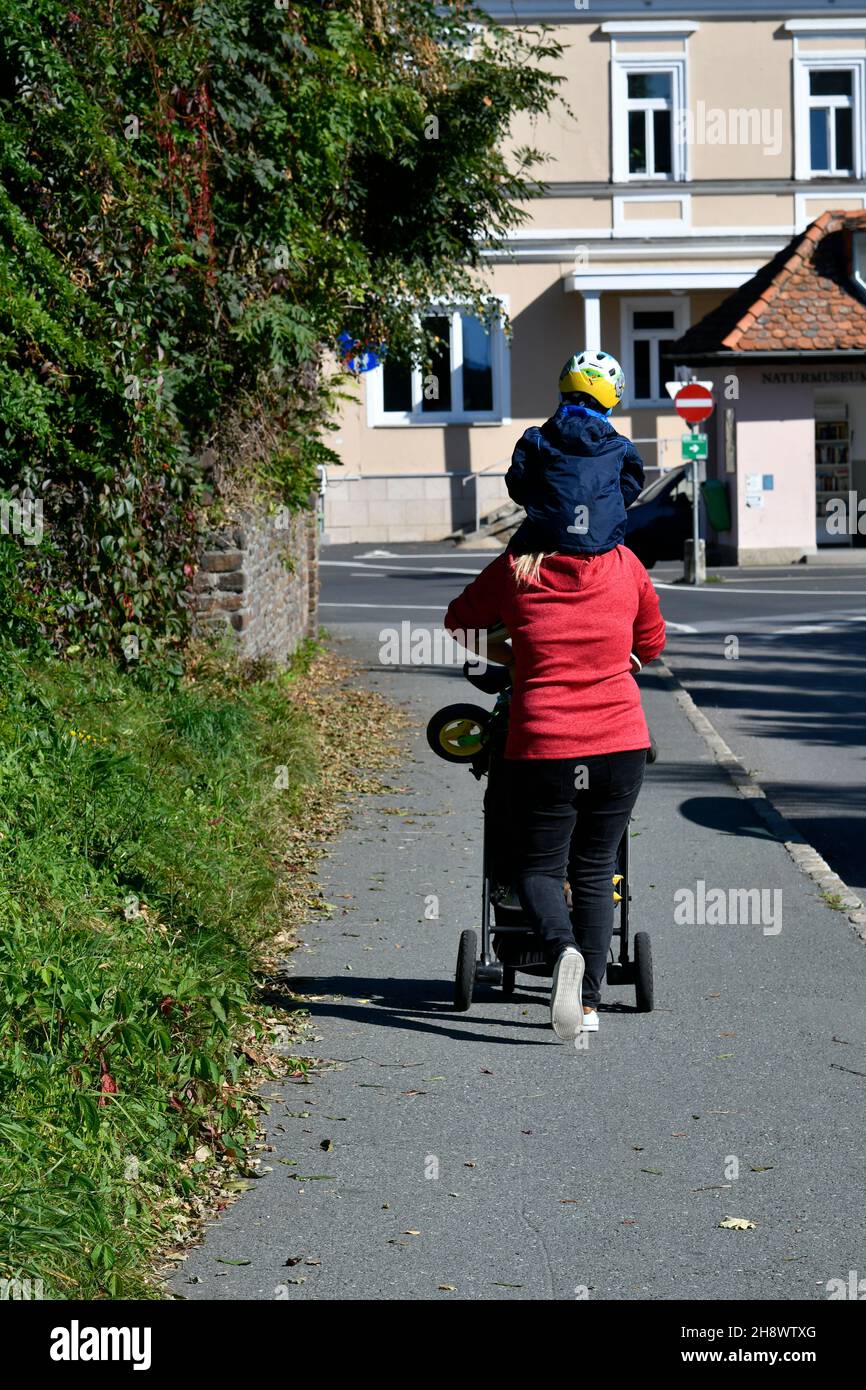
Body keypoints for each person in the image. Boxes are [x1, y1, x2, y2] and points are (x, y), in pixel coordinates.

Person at [444, 528, 666, 1043]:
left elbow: (459, 624)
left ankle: (561, 949)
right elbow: (651, 642)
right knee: (595, 868)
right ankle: (588, 1002)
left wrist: (516, 657)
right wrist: (617, 658)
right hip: (620, 743)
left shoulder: (516, 566)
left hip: (545, 745)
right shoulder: (624, 563)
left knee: (536, 868)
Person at [505, 349, 645, 556]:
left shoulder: (535, 440)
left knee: (499, 578)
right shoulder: (621, 448)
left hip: (542, 544)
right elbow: (629, 488)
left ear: (563, 390)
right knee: (632, 577)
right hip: (604, 548)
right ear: (612, 399)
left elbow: (518, 487)